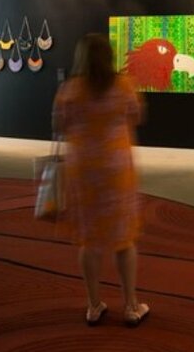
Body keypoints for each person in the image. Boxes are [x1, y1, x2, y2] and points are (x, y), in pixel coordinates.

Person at [54, 33, 149, 327]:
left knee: (89, 239)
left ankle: (94, 305)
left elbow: (58, 125)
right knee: (124, 239)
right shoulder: (123, 86)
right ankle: (132, 306)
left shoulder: (70, 89)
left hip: (83, 171)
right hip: (117, 170)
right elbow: (137, 117)